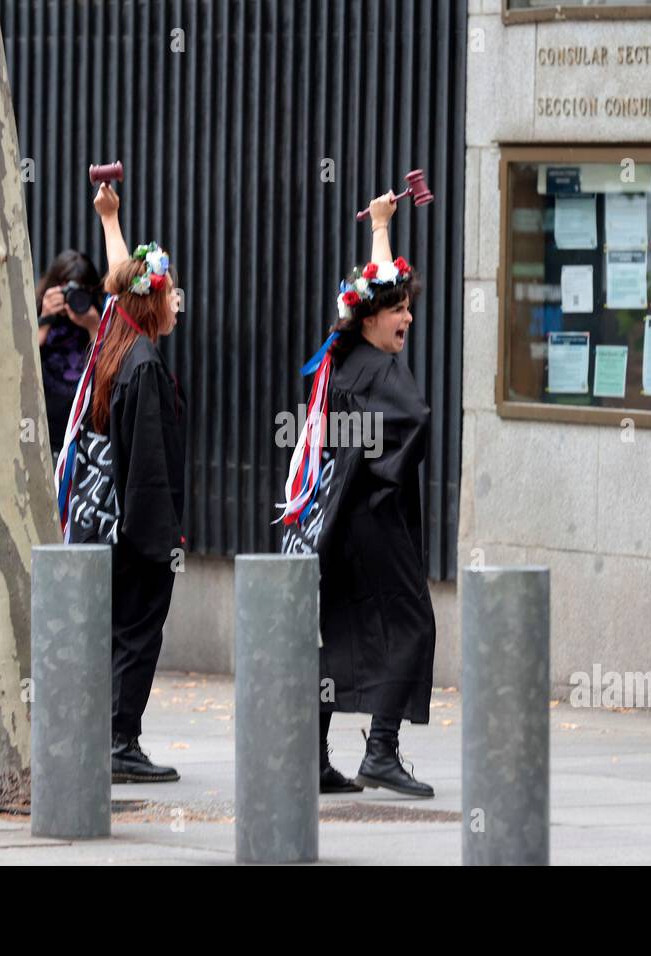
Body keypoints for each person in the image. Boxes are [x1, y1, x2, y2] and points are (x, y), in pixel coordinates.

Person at [278, 192, 437, 797]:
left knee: (341, 631)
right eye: (397, 310)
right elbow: (414, 419)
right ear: (369, 317)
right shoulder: (381, 370)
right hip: (374, 518)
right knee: (413, 623)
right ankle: (381, 750)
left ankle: (312, 756)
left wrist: (379, 228)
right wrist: (390, 475)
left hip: (334, 520)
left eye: (407, 308)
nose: (408, 318)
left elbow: (377, 289)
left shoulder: (343, 360)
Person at [62, 183, 185, 783]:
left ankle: (108, 733)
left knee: (116, 631)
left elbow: (119, 276)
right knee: (138, 632)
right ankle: (120, 739)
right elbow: (149, 467)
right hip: (135, 530)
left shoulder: (112, 348)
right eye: (172, 292)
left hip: (101, 522)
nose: (178, 302)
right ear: (153, 303)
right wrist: (160, 541)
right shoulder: (144, 366)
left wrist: (110, 218)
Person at [36, 250, 103, 461]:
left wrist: (95, 328)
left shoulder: (99, 318)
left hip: (84, 441)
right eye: (65, 288)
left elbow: (108, 375)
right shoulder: (34, 311)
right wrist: (45, 318)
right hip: (40, 436)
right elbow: (19, 369)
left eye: (79, 290)